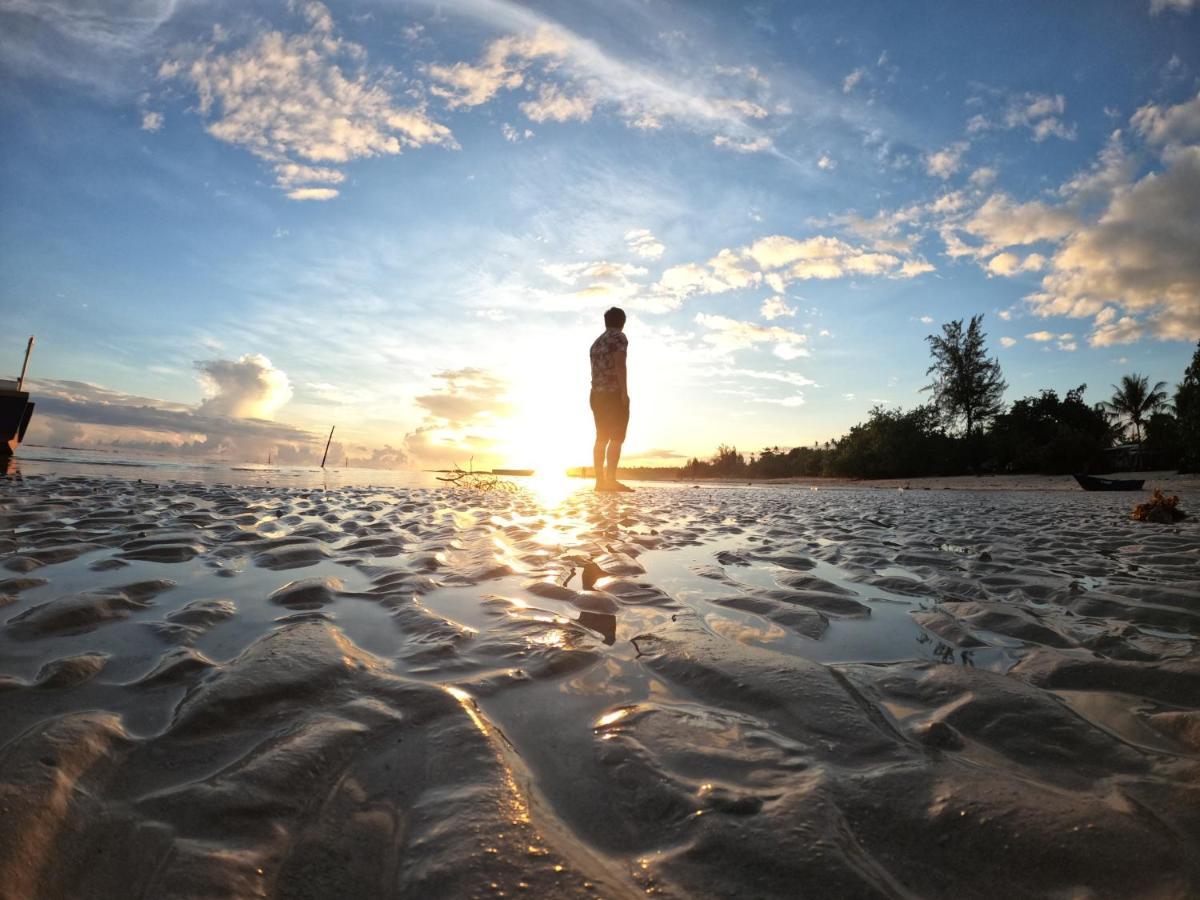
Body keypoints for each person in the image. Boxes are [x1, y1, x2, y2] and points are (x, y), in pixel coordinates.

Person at [589, 307, 633, 492]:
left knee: (601, 438)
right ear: (622, 322)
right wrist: (624, 392)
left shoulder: (596, 343)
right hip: (613, 393)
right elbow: (619, 364)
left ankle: (600, 481)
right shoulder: (619, 338)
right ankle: (611, 480)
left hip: (596, 394)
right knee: (616, 437)